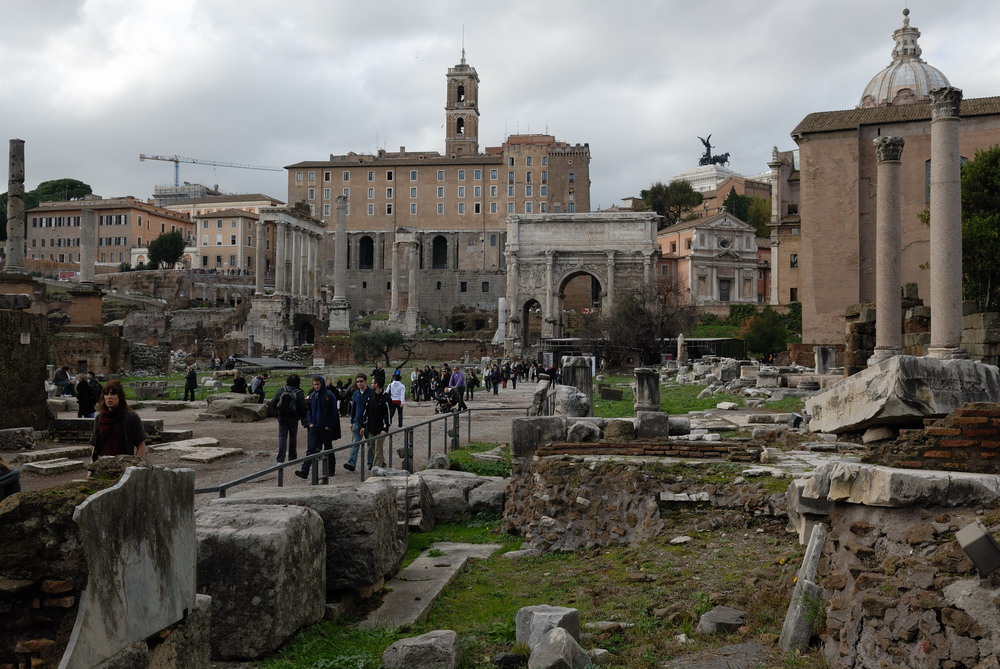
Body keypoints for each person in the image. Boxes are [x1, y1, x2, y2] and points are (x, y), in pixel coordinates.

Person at [89, 380, 147, 461]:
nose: (109, 397)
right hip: (103, 465)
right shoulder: (99, 418)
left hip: (124, 465)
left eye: (113, 394)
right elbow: (95, 446)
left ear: (119, 396)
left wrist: (134, 465)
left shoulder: (131, 417)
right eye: (106, 394)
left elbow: (141, 445)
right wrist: (91, 470)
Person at [296, 375, 340, 479]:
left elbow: (333, 412)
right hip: (314, 427)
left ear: (322, 384)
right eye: (314, 384)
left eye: (318, 384)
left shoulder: (330, 396)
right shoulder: (312, 396)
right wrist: (310, 423)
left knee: (328, 448)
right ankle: (305, 470)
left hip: (325, 427)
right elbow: (309, 411)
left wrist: (329, 425)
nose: (316, 386)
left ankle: (331, 469)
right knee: (311, 449)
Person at [269, 374, 307, 463]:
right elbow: (303, 407)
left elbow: (273, 403)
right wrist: (303, 418)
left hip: (282, 416)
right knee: (293, 437)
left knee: (282, 437)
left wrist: (278, 412)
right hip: (293, 418)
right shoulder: (299, 392)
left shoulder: (281, 390)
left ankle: (280, 459)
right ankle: (292, 457)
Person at [344, 373, 373, 471]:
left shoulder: (371, 393)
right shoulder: (355, 393)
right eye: (357, 382)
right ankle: (352, 463)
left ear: (365, 381)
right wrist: (351, 421)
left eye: (361, 381)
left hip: (369, 422)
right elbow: (354, 408)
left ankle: (371, 463)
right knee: (355, 443)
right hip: (357, 421)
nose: (359, 383)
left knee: (370, 444)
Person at [361, 380, 391, 468]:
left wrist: (385, 428)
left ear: (377, 384)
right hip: (371, 427)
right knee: (372, 447)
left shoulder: (386, 398)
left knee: (378, 449)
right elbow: (366, 412)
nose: (371, 384)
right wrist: (363, 425)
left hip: (381, 428)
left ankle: (376, 468)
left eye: (373, 383)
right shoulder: (371, 396)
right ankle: (382, 464)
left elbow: (388, 414)